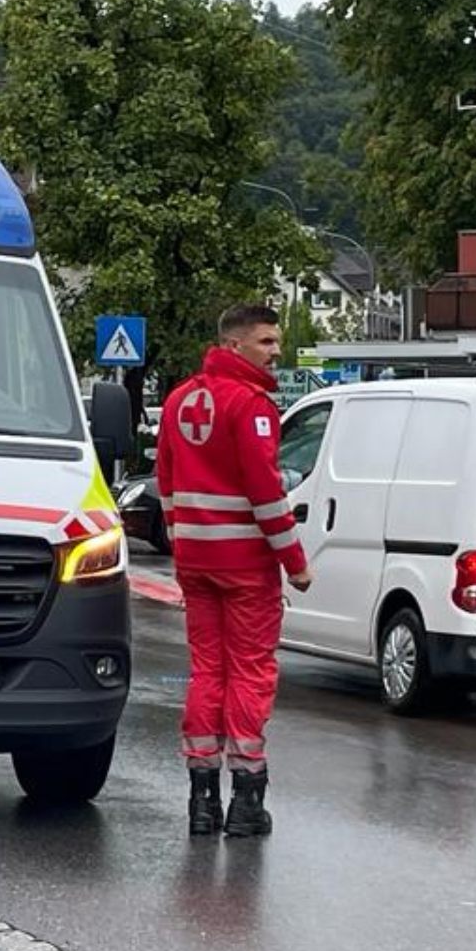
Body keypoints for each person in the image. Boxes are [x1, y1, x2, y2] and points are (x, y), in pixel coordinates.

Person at [156, 304, 312, 838]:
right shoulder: (251, 405)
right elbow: (267, 493)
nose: (276, 351)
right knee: (249, 671)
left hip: (197, 561)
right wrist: (295, 562)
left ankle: (202, 800)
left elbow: (167, 486)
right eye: (267, 341)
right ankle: (246, 801)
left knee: (206, 672)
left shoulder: (178, 400)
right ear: (235, 345)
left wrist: (183, 547)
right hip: (246, 563)